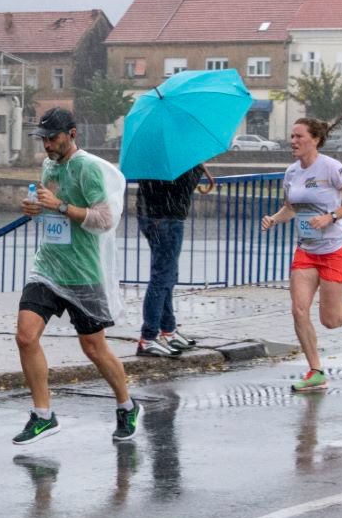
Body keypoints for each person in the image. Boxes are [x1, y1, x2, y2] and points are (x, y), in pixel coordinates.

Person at [14, 107, 138, 444]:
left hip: (82, 271)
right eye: (42, 139)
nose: (46, 145)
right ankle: (43, 415)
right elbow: (50, 211)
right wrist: (34, 209)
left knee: (94, 348)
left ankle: (127, 405)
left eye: (52, 138)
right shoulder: (49, 166)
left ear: (72, 134)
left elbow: (105, 220)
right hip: (47, 267)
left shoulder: (86, 169)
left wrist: (59, 206)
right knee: (25, 336)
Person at [261, 119, 342, 392]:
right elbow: (290, 208)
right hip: (306, 251)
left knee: (331, 320)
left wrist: (331, 216)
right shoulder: (291, 172)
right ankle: (316, 371)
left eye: (299, 136)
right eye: (292, 136)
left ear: (315, 139)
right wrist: (274, 219)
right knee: (299, 310)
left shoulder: (331, 167)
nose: (293, 141)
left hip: (335, 250)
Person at [134, 164, 215, 357]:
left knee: (167, 275)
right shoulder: (180, 160)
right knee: (162, 278)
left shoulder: (152, 155)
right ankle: (148, 338)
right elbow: (184, 187)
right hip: (167, 219)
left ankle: (168, 330)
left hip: (150, 216)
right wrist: (197, 169)